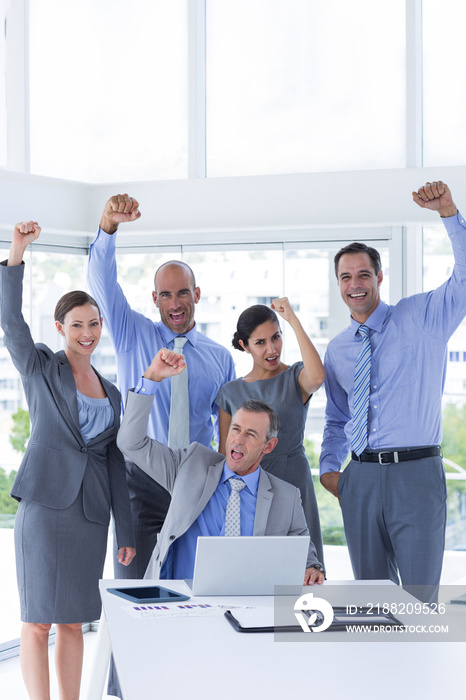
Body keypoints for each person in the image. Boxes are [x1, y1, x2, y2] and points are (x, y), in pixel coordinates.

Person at [1, 222, 135, 700]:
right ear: (60, 328)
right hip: (44, 506)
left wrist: (127, 530)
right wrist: (17, 251)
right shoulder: (41, 366)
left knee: (74, 622)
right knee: (37, 622)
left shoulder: (113, 392)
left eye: (93, 323)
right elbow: (11, 322)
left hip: (89, 515)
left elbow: (116, 464)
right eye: (76, 324)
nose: (86, 333)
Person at [319, 180, 466, 600]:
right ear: (339, 284)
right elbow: (337, 417)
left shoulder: (422, 317)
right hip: (360, 477)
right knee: (371, 601)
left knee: (419, 602)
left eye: (363, 273)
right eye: (345, 276)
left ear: (379, 277)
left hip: (415, 475)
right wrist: (332, 471)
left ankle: (420, 667)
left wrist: (449, 213)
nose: (355, 283)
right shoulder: (338, 349)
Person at [87, 193, 236, 580]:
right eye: (166, 294)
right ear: (154, 298)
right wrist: (108, 227)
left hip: (194, 480)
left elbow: (225, 430)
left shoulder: (220, 358)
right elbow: (102, 282)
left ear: (196, 294)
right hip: (139, 479)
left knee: (194, 587)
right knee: (134, 590)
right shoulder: (130, 333)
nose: (175, 302)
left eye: (183, 292)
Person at [118, 347, 325, 584]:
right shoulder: (190, 464)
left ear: (268, 446)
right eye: (236, 429)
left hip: (247, 604)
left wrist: (312, 567)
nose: (237, 439)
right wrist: (152, 378)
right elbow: (130, 443)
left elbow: (302, 546)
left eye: (250, 434)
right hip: (182, 600)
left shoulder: (286, 497)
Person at [215, 299, 326, 565]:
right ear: (244, 346)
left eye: (276, 337)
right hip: (246, 488)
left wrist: (293, 320)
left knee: (302, 566)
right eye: (260, 342)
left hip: (293, 479)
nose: (272, 349)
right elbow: (224, 454)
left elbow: (318, 378)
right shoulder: (230, 393)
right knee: (252, 569)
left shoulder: (295, 376)